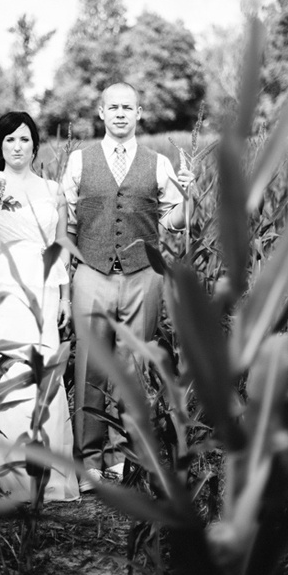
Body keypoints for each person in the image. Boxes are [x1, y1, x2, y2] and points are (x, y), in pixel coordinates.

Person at [62, 83, 194, 494]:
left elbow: (175, 222)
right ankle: (89, 464)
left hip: (144, 274)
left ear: (140, 114)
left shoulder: (158, 163)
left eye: (128, 107)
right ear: (101, 113)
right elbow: (65, 220)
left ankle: (121, 463)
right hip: (91, 271)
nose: (120, 113)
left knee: (132, 367)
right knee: (90, 366)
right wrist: (67, 276)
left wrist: (186, 197)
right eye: (113, 107)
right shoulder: (79, 161)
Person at [0, 111, 79, 503]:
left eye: (25, 139)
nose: (17, 147)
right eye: (9, 140)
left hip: (43, 285)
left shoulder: (53, 190)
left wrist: (65, 297)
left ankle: (43, 474)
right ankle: (2, 473)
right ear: (0, 145)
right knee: (2, 368)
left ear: (35, 144)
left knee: (39, 368)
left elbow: (62, 247)